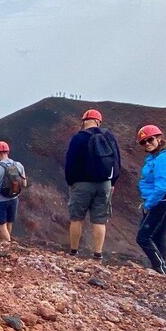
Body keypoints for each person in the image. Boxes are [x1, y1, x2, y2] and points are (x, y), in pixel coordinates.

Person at [64, 109, 121, 259]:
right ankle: (98, 254)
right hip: (104, 184)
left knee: (76, 218)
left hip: (81, 184)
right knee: (99, 220)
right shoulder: (108, 137)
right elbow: (117, 161)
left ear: (83, 122)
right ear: (99, 121)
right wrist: (112, 182)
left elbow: (69, 162)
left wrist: (71, 182)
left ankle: (73, 252)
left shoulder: (78, 138)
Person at [135, 125, 166, 275]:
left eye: (150, 139)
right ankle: (161, 269)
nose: (147, 143)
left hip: (161, 201)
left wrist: (148, 204)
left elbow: (161, 187)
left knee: (143, 237)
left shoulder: (163, 158)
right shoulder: (155, 157)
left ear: (159, 138)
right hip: (164, 201)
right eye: (143, 142)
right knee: (159, 235)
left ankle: (159, 267)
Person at [0, 141, 27, 242]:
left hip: (0, 200)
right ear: (7, 152)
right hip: (14, 198)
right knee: (9, 222)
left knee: (2, 225)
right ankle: (6, 242)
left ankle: (7, 244)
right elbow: (24, 184)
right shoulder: (18, 165)